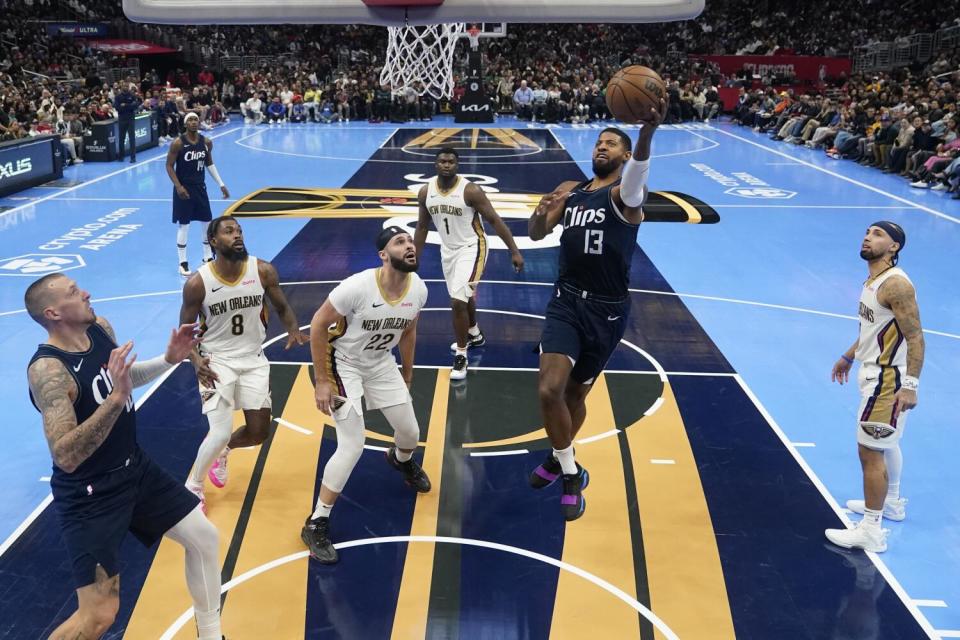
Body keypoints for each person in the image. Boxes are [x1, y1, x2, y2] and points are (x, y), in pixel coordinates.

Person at [24, 274, 224, 640]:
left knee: (204, 539)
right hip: (91, 494)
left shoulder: (100, 328)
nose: (85, 292)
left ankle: (211, 636)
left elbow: (123, 378)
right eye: (73, 292)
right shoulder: (48, 370)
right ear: (53, 312)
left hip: (135, 469)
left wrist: (168, 360)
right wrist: (117, 400)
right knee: (99, 617)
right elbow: (66, 454)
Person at [526, 103, 662, 521]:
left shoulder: (625, 194)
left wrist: (645, 133)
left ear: (623, 156)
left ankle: (556, 457)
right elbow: (536, 232)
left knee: (575, 395)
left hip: (607, 310)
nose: (602, 147)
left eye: (611, 144)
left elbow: (639, 169)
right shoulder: (573, 188)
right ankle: (570, 472)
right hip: (566, 300)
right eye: (599, 142)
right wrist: (543, 206)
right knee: (550, 390)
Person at [301, 227, 430, 564]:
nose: (409, 245)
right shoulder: (357, 287)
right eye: (399, 242)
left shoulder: (419, 289)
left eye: (410, 241)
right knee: (352, 444)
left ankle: (399, 460)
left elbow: (409, 330)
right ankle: (317, 521)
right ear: (384, 255)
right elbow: (317, 325)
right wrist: (321, 380)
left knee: (411, 433)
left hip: (380, 364)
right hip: (342, 363)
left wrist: (407, 372)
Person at [180, 215, 307, 509]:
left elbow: (282, 305)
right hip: (216, 360)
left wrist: (292, 328)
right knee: (220, 429)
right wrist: (194, 360)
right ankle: (194, 486)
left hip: (253, 358)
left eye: (239, 231)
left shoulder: (262, 270)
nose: (237, 235)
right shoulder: (199, 283)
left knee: (259, 432)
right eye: (228, 231)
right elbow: (184, 332)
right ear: (213, 241)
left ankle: (224, 451)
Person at [825, 222, 924, 553]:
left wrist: (910, 386)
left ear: (894, 247)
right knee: (887, 442)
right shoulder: (873, 280)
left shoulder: (896, 285)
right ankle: (892, 501)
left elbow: (915, 337)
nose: (868, 236)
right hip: (872, 371)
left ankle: (870, 529)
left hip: (886, 379)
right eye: (867, 231)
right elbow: (874, 328)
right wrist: (848, 355)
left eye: (878, 234)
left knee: (870, 451)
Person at [414, 147, 524, 380]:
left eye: (451, 162)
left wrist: (514, 251)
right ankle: (474, 334)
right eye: (442, 161)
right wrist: (415, 256)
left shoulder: (470, 190)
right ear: (436, 164)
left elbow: (494, 220)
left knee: (457, 301)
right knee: (463, 297)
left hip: (473, 248)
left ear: (457, 165)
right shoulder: (426, 192)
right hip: (448, 251)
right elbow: (422, 227)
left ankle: (461, 355)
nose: (446, 165)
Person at [166, 112, 230, 277]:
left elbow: (209, 163)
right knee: (184, 225)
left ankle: (207, 257)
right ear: (186, 124)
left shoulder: (207, 142)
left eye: (196, 119)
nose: (194, 122)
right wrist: (178, 187)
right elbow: (169, 166)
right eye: (190, 120)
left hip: (200, 188)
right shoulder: (178, 143)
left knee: (207, 223)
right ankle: (182, 262)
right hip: (184, 190)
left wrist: (221, 184)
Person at [113, 82, 141, 163]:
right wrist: (129, 106)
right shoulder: (118, 96)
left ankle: (133, 158)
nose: (125, 87)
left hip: (130, 119)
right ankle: (121, 157)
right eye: (124, 86)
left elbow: (135, 105)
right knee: (121, 138)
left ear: (128, 87)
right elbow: (117, 107)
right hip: (122, 119)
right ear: (121, 87)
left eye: (127, 86)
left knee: (132, 139)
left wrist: (125, 105)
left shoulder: (132, 95)